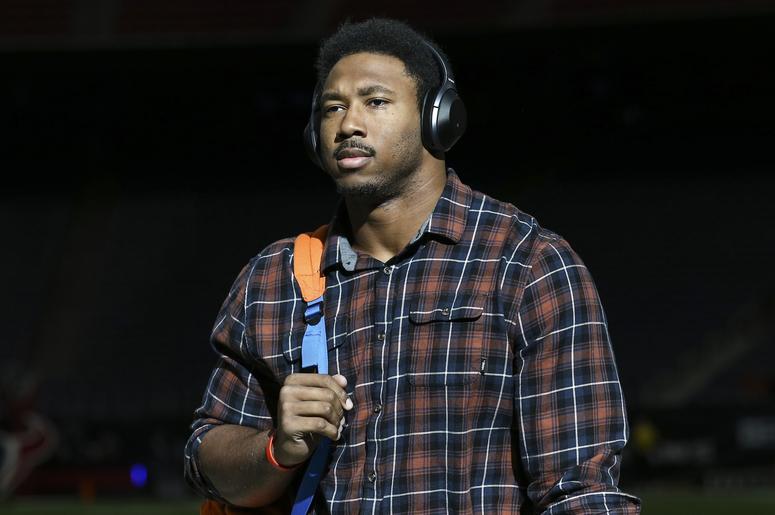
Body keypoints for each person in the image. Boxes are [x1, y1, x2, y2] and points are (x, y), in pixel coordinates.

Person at [184, 18, 641, 514]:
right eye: (333, 108)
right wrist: (276, 449)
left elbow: (581, 492)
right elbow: (208, 462)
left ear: (437, 118)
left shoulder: (528, 265)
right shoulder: (273, 279)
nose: (348, 124)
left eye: (375, 101)